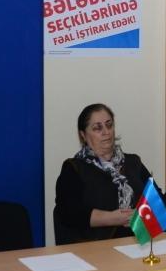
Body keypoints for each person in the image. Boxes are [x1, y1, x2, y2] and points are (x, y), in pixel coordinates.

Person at [54, 103, 156, 244]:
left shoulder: (133, 162)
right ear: (83, 135)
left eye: (109, 125)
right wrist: (114, 218)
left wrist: (141, 214)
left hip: (138, 242)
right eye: (97, 128)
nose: (106, 132)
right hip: (94, 247)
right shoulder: (74, 168)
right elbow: (69, 213)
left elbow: (157, 198)